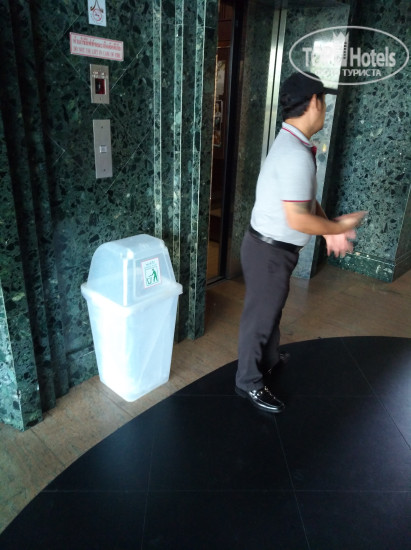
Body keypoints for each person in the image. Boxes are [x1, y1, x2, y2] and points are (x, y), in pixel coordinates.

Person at [235, 71, 366, 413]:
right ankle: (248, 382)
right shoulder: (294, 153)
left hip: (271, 250)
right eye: (323, 101)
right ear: (314, 103)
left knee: (270, 312)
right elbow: (298, 218)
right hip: (269, 252)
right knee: (259, 319)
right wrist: (333, 229)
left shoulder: (293, 143)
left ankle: (268, 361)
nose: (324, 108)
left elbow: (305, 201)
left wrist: (330, 229)